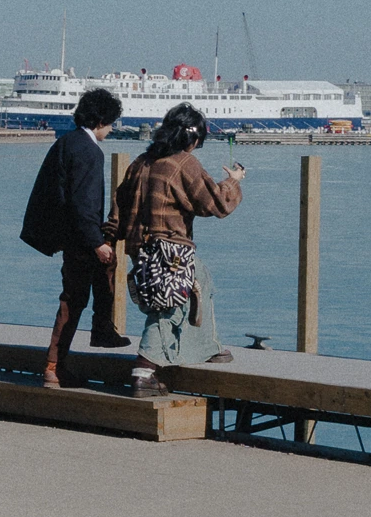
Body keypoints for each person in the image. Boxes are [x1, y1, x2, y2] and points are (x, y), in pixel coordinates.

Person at [105, 101, 243, 385]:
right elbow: (214, 204)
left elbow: (118, 205)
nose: (196, 147)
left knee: (200, 280)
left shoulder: (140, 163)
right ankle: (144, 370)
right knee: (168, 305)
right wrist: (234, 182)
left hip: (139, 249)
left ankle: (208, 347)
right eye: (199, 141)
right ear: (191, 137)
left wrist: (108, 239)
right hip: (170, 250)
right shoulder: (183, 163)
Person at [19, 85, 130, 386]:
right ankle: (92, 338)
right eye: (110, 123)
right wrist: (97, 243)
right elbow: (85, 203)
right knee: (87, 287)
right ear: (100, 121)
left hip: (66, 236)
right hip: (82, 239)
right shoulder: (90, 152)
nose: (111, 128)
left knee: (74, 297)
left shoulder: (66, 142)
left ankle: (60, 361)